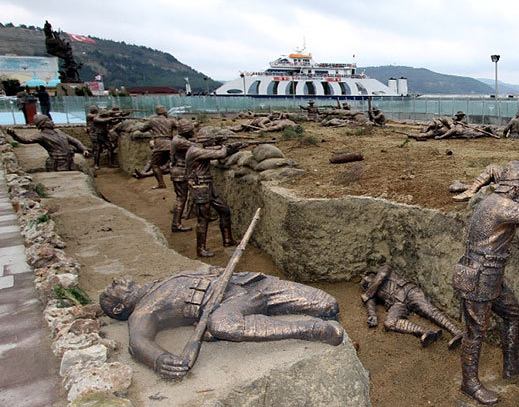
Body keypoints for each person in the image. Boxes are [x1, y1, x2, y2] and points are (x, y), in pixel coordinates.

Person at [99, 270, 345, 379]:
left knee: (328, 305)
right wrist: (159, 359)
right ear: (119, 307)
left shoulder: (161, 282)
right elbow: (138, 342)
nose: (114, 281)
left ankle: (343, 364)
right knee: (222, 325)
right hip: (229, 306)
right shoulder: (143, 309)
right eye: (112, 290)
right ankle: (310, 330)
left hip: (247, 284)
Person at [452, 161, 519, 404]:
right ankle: (470, 383)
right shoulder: (500, 205)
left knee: (513, 314)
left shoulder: (497, 201)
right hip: (480, 277)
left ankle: (511, 366)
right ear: (516, 190)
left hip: (490, 277)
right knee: (475, 332)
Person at [360, 265, 464, 349]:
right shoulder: (372, 294)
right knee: (390, 322)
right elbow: (370, 305)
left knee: (428, 310)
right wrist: (372, 315)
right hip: (396, 304)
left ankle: (456, 331)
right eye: (365, 285)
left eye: (366, 279)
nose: (366, 281)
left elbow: (381, 276)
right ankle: (426, 332)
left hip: (407, 290)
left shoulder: (383, 270)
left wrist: (368, 294)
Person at [185, 127, 242, 257]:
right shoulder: (195, 151)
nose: (213, 144)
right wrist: (226, 148)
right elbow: (220, 154)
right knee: (203, 219)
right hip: (200, 187)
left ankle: (228, 240)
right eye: (212, 141)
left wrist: (233, 148)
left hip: (208, 186)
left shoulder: (199, 148)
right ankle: (201, 249)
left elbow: (216, 151)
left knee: (225, 211)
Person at [6, 114, 89, 171]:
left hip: (69, 160)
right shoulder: (41, 136)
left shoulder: (58, 132)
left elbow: (74, 141)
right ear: (43, 125)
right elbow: (26, 140)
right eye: (49, 121)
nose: (52, 122)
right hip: (59, 162)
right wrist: (15, 135)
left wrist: (83, 149)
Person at [134, 105, 175, 189]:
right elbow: (180, 127)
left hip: (160, 144)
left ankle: (161, 183)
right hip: (170, 144)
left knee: (155, 165)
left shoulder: (152, 121)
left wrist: (137, 125)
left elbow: (142, 129)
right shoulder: (171, 120)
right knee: (174, 164)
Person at [169, 119, 196, 233]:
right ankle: (176, 224)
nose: (193, 131)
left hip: (180, 171)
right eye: (191, 130)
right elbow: (197, 147)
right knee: (181, 198)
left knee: (186, 196)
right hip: (181, 171)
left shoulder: (179, 139)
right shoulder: (181, 142)